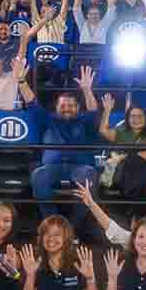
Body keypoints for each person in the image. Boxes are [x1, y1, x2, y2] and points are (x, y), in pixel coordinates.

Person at [29, 79, 102, 228]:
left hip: (80, 167)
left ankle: (71, 228)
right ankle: (53, 225)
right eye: (62, 105)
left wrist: (87, 89)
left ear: (78, 108)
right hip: (52, 167)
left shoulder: (84, 121)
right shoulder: (49, 120)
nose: (66, 109)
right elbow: (32, 104)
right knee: (38, 175)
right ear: (56, 108)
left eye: (71, 105)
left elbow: (93, 111)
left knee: (88, 176)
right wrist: (21, 81)